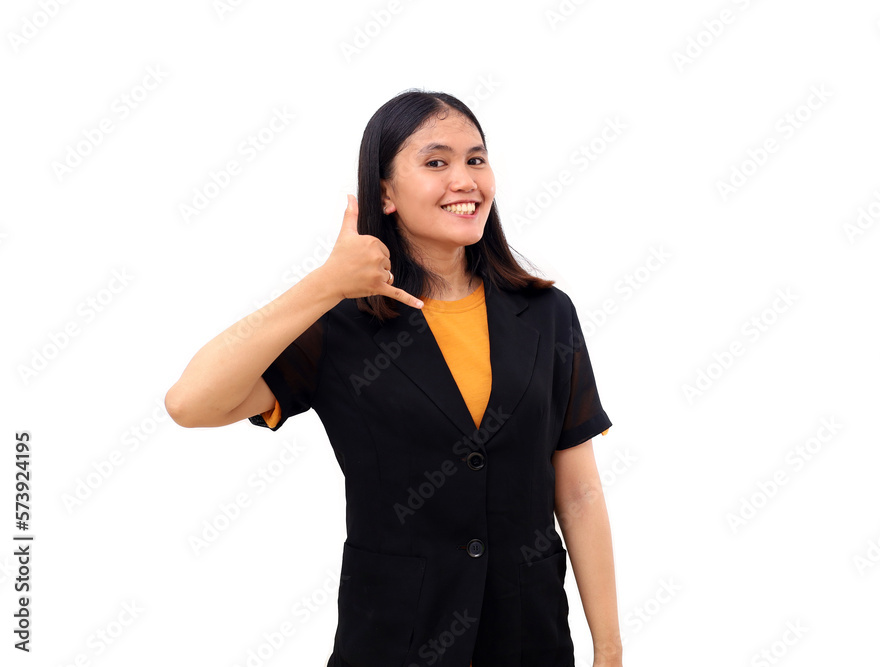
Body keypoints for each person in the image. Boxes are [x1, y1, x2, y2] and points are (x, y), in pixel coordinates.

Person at [165, 89, 622, 667]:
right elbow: (190, 403)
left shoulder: (547, 315)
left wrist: (609, 650)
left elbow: (578, 492)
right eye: (436, 162)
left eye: (476, 159)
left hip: (528, 639)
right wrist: (324, 284)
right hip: (394, 641)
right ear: (384, 193)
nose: (465, 180)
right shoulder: (339, 323)